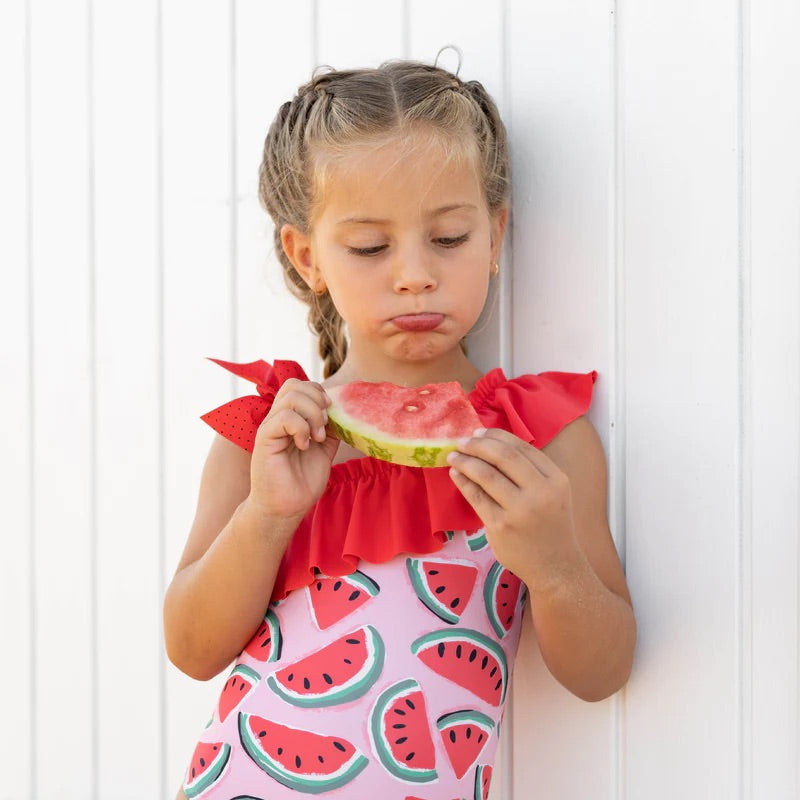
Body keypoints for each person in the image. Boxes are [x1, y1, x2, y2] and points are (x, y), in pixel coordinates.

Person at [164, 56, 636, 800]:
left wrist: (553, 566)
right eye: (370, 247)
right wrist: (267, 516)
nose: (415, 274)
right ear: (306, 256)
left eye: (448, 237)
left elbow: (601, 672)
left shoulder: (540, 437)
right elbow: (192, 648)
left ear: (495, 235)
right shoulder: (270, 433)